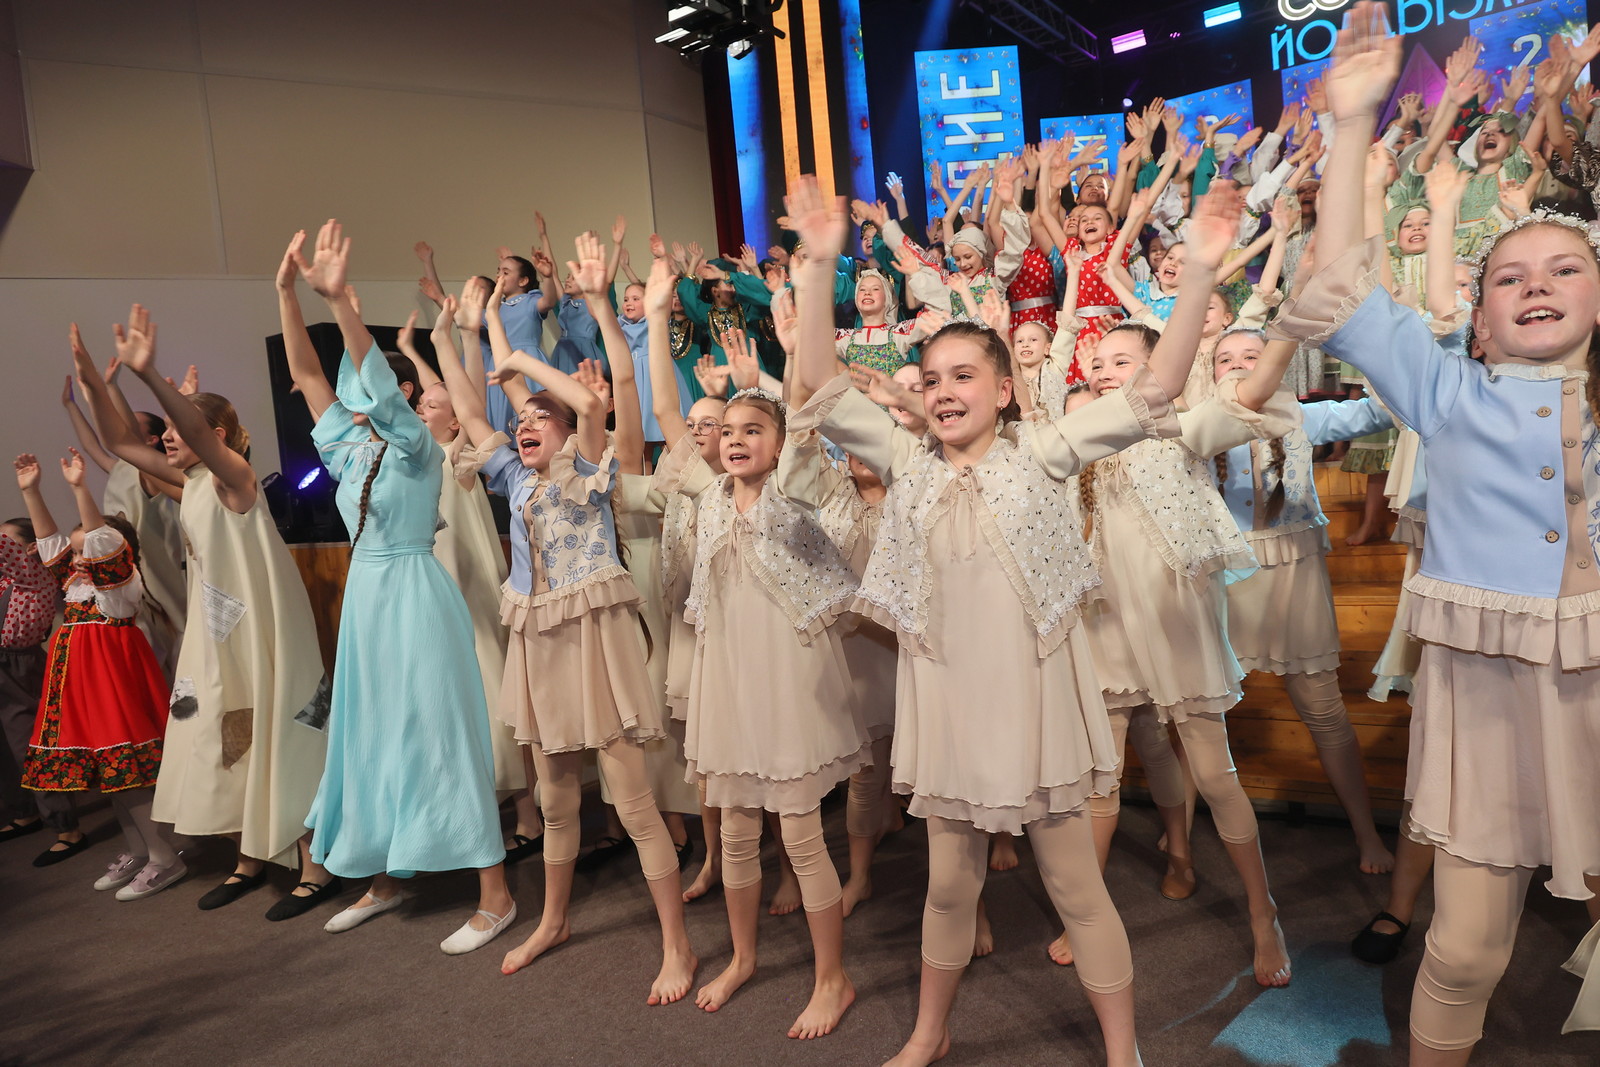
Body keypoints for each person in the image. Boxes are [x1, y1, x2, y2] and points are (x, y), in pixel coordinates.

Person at [794, 173, 1182, 1067]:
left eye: (963, 375)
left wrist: (1194, 271)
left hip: (1035, 705)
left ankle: (1123, 1052)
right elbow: (817, 382)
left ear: (1006, 390)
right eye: (931, 379)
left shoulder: (1043, 450)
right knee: (947, 887)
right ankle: (929, 1032)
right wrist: (816, 266)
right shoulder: (905, 459)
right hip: (951, 704)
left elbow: (1157, 385)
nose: (942, 390)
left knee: (1076, 889)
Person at [1272, 8, 1599, 1055]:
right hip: (1492, 698)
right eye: (1509, 274)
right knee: (1462, 951)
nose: (1535, 282)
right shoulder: (1448, 393)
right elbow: (1338, 288)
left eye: (1564, 267)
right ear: (1479, 317)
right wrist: (1352, 123)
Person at [441, 235, 697, 1004]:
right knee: (555, 800)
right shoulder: (516, 479)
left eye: (536, 418)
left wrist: (523, 360)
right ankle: (552, 919)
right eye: (520, 418)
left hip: (592, 644)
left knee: (633, 801)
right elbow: (468, 409)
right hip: (539, 644)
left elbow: (590, 403)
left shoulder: (587, 469)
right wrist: (458, 335)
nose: (523, 423)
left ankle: (677, 944)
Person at [277, 224, 516, 953]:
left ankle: (496, 894)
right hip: (366, 600)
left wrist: (342, 305)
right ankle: (383, 877)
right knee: (368, 732)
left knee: (438, 730)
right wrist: (285, 293)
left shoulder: (414, 443)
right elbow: (307, 376)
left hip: (415, 590)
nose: (353, 395)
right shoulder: (346, 448)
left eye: (366, 387)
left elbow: (372, 382)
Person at [653, 242, 868, 1036]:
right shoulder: (710, 496)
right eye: (730, 430)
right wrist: (653, 317)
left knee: (801, 835)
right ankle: (742, 956)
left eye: (754, 429)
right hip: (730, 681)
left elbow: (807, 414)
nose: (737, 438)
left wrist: (792, 336)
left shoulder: (794, 492)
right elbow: (672, 418)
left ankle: (833, 976)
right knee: (738, 832)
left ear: (778, 444)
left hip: (788, 681)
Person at [73, 308, 333, 920]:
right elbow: (119, 444)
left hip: (261, 633)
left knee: (280, 730)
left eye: (177, 430)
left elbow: (199, 435)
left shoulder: (234, 480)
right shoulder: (187, 485)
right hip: (215, 636)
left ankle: (315, 866)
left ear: (214, 435)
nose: (167, 438)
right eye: (165, 431)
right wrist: (95, 383)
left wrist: (151, 376)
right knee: (223, 735)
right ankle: (249, 857)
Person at [12, 449, 177, 898]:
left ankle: (165, 857)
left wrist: (80, 488)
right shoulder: (76, 584)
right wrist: (32, 492)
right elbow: (51, 545)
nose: (80, 558)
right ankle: (139, 851)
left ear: (116, 552)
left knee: (129, 776)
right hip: (80, 688)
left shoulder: (119, 586)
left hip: (112, 688)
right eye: (77, 552)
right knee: (110, 779)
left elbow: (101, 544)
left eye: (88, 550)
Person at [0, 516, 75, 863]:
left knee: (28, 745)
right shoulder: (5, 580)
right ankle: (24, 811)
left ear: (30, 548)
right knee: (5, 748)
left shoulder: (34, 575)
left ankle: (66, 828)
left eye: (5, 540)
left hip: (18, 666)